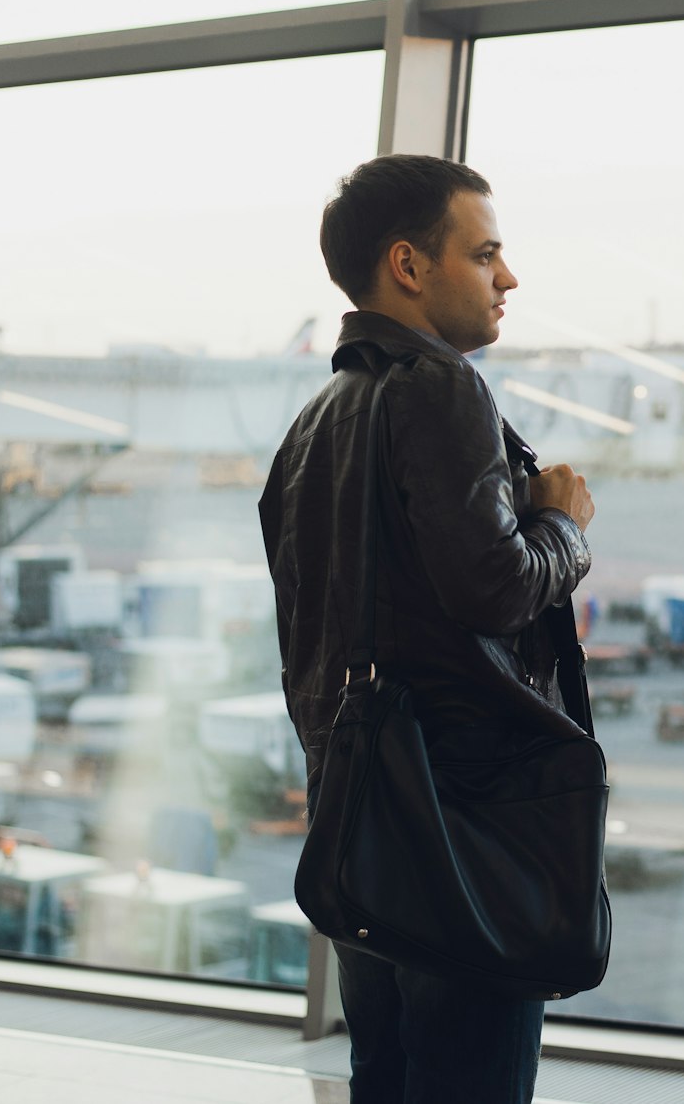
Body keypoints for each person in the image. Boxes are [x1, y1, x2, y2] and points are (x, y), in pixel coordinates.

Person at [257, 154, 596, 1103]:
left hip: (365, 820)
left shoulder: (317, 420)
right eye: (485, 254)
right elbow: (495, 589)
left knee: (388, 1078)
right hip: (461, 827)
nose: (508, 278)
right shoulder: (442, 389)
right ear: (409, 265)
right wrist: (561, 523)